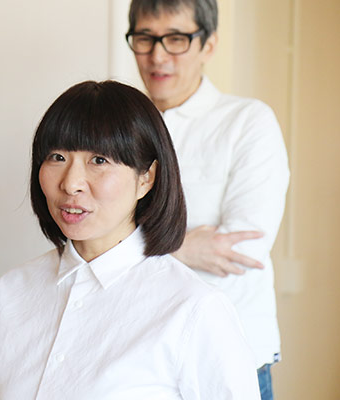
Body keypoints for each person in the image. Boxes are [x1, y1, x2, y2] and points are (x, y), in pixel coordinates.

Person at [0, 80, 260, 399]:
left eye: (99, 160)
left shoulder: (194, 308)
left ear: (146, 178)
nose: (71, 183)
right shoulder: (10, 292)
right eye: (57, 157)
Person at [125, 1, 290, 399]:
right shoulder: (121, 128)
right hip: (138, 354)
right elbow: (91, 238)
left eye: (176, 38)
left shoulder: (248, 121)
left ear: (209, 45)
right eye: (145, 38)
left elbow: (242, 249)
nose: (157, 55)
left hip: (229, 357)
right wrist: (186, 247)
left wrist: (132, 248)